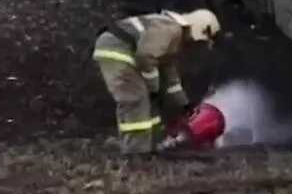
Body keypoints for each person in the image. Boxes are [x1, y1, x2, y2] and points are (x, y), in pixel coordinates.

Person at [93, 9, 220, 155]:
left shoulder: (173, 39)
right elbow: (145, 56)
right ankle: (136, 153)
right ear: (197, 28)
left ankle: (150, 147)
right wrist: (153, 87)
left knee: (148, 104)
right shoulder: (170, 28)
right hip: (117, 50)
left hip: (125, 51)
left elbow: (169, 74)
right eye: (199, 41)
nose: (194, 44)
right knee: (136, 99)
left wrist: (183, 104)